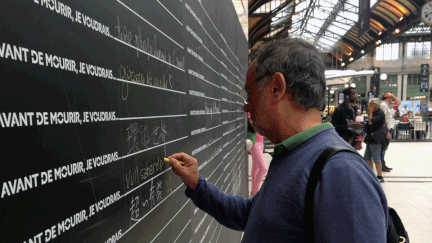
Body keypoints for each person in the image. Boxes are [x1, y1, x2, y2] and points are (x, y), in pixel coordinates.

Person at [166, 38, 388, 242]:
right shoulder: (295, 154)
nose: (246, 105)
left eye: (250, 94)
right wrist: (197, 185)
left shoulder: (341, 172)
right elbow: (253, 215)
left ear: (276, 87)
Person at [364, 98, 387, 182]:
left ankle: (379, 176)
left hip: (376, 139)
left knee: (376, 159)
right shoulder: (373, 112)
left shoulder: (379, 113)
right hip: (370, 138)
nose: (369, 105)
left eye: (371, 104)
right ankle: (371, 175)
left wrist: (370, 112)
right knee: (367, 157)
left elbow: (371, 122)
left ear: (376, 105)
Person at [380, 91, 401, 172]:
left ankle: (383, 164)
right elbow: (383, 119)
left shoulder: (387, 105)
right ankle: (381, 165)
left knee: (384, 148)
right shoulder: (383, 105)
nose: (392, 96)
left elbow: (398, 103)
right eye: (390, 94)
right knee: (383, 148)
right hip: (387, 129)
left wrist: (393, 95)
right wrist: (387, 131)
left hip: (389, 129)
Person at [248, 113, 267, 196]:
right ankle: (255, 192)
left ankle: (253, 190)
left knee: (255, 166)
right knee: (263, 169)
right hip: (254, 142)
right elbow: (250, 123)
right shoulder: (250, 111)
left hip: (260, 141)